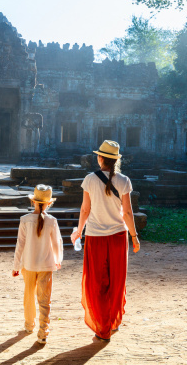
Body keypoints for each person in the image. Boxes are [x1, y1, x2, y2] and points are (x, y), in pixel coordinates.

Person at [70, 140, 140, 342]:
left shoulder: (90, 180)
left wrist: (79, 232)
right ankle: (113, 322)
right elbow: (127, 212)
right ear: (116, 160)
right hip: (118, 236)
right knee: (117, 281)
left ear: (100, 158)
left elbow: (85, 209)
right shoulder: (124, 180)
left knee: (97, 282)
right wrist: (134, 236)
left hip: (95, 237)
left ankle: (102, 327)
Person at [12, 184, 64, 345]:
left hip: (28, 264)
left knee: (28, 296)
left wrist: (16, 266)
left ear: (33, 202)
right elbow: (57, 243)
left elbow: (20, 244)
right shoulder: (52, 221)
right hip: (47, 265)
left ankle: (29, 325)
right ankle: (43, 332)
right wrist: (58, 259)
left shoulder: (25, 220)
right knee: (44, 299)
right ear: (49, 203)